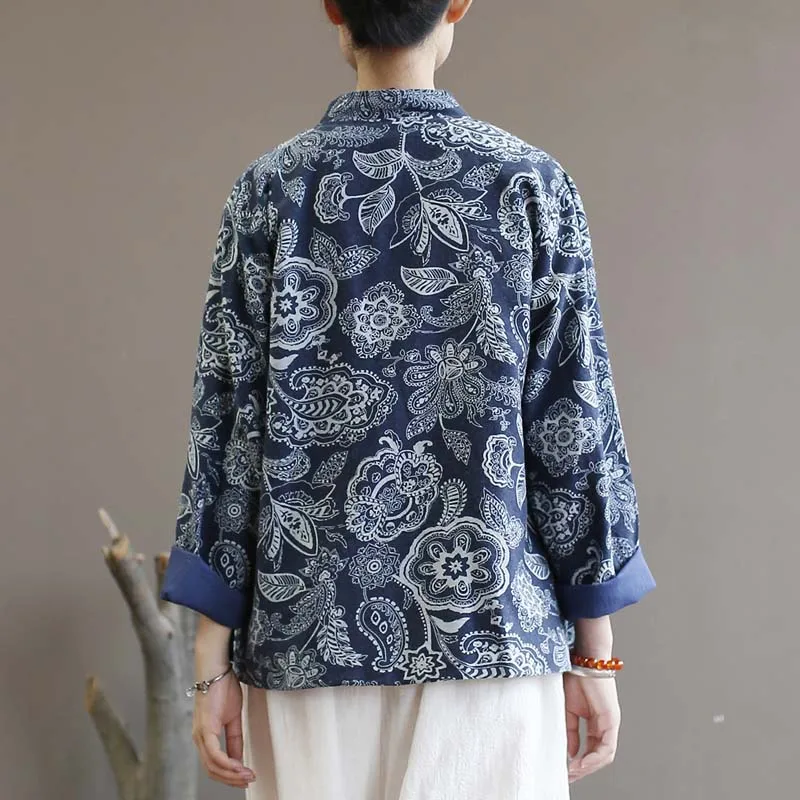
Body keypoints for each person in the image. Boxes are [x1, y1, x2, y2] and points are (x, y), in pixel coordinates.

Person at [159, 1, 656, 797]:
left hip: (304, 648)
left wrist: (209, 663)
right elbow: (571, 427)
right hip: (493, 643)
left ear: (332, 8)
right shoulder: (528, 184)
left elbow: (226, 435)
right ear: (457, 3)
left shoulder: (270, 190)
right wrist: (596, 656)